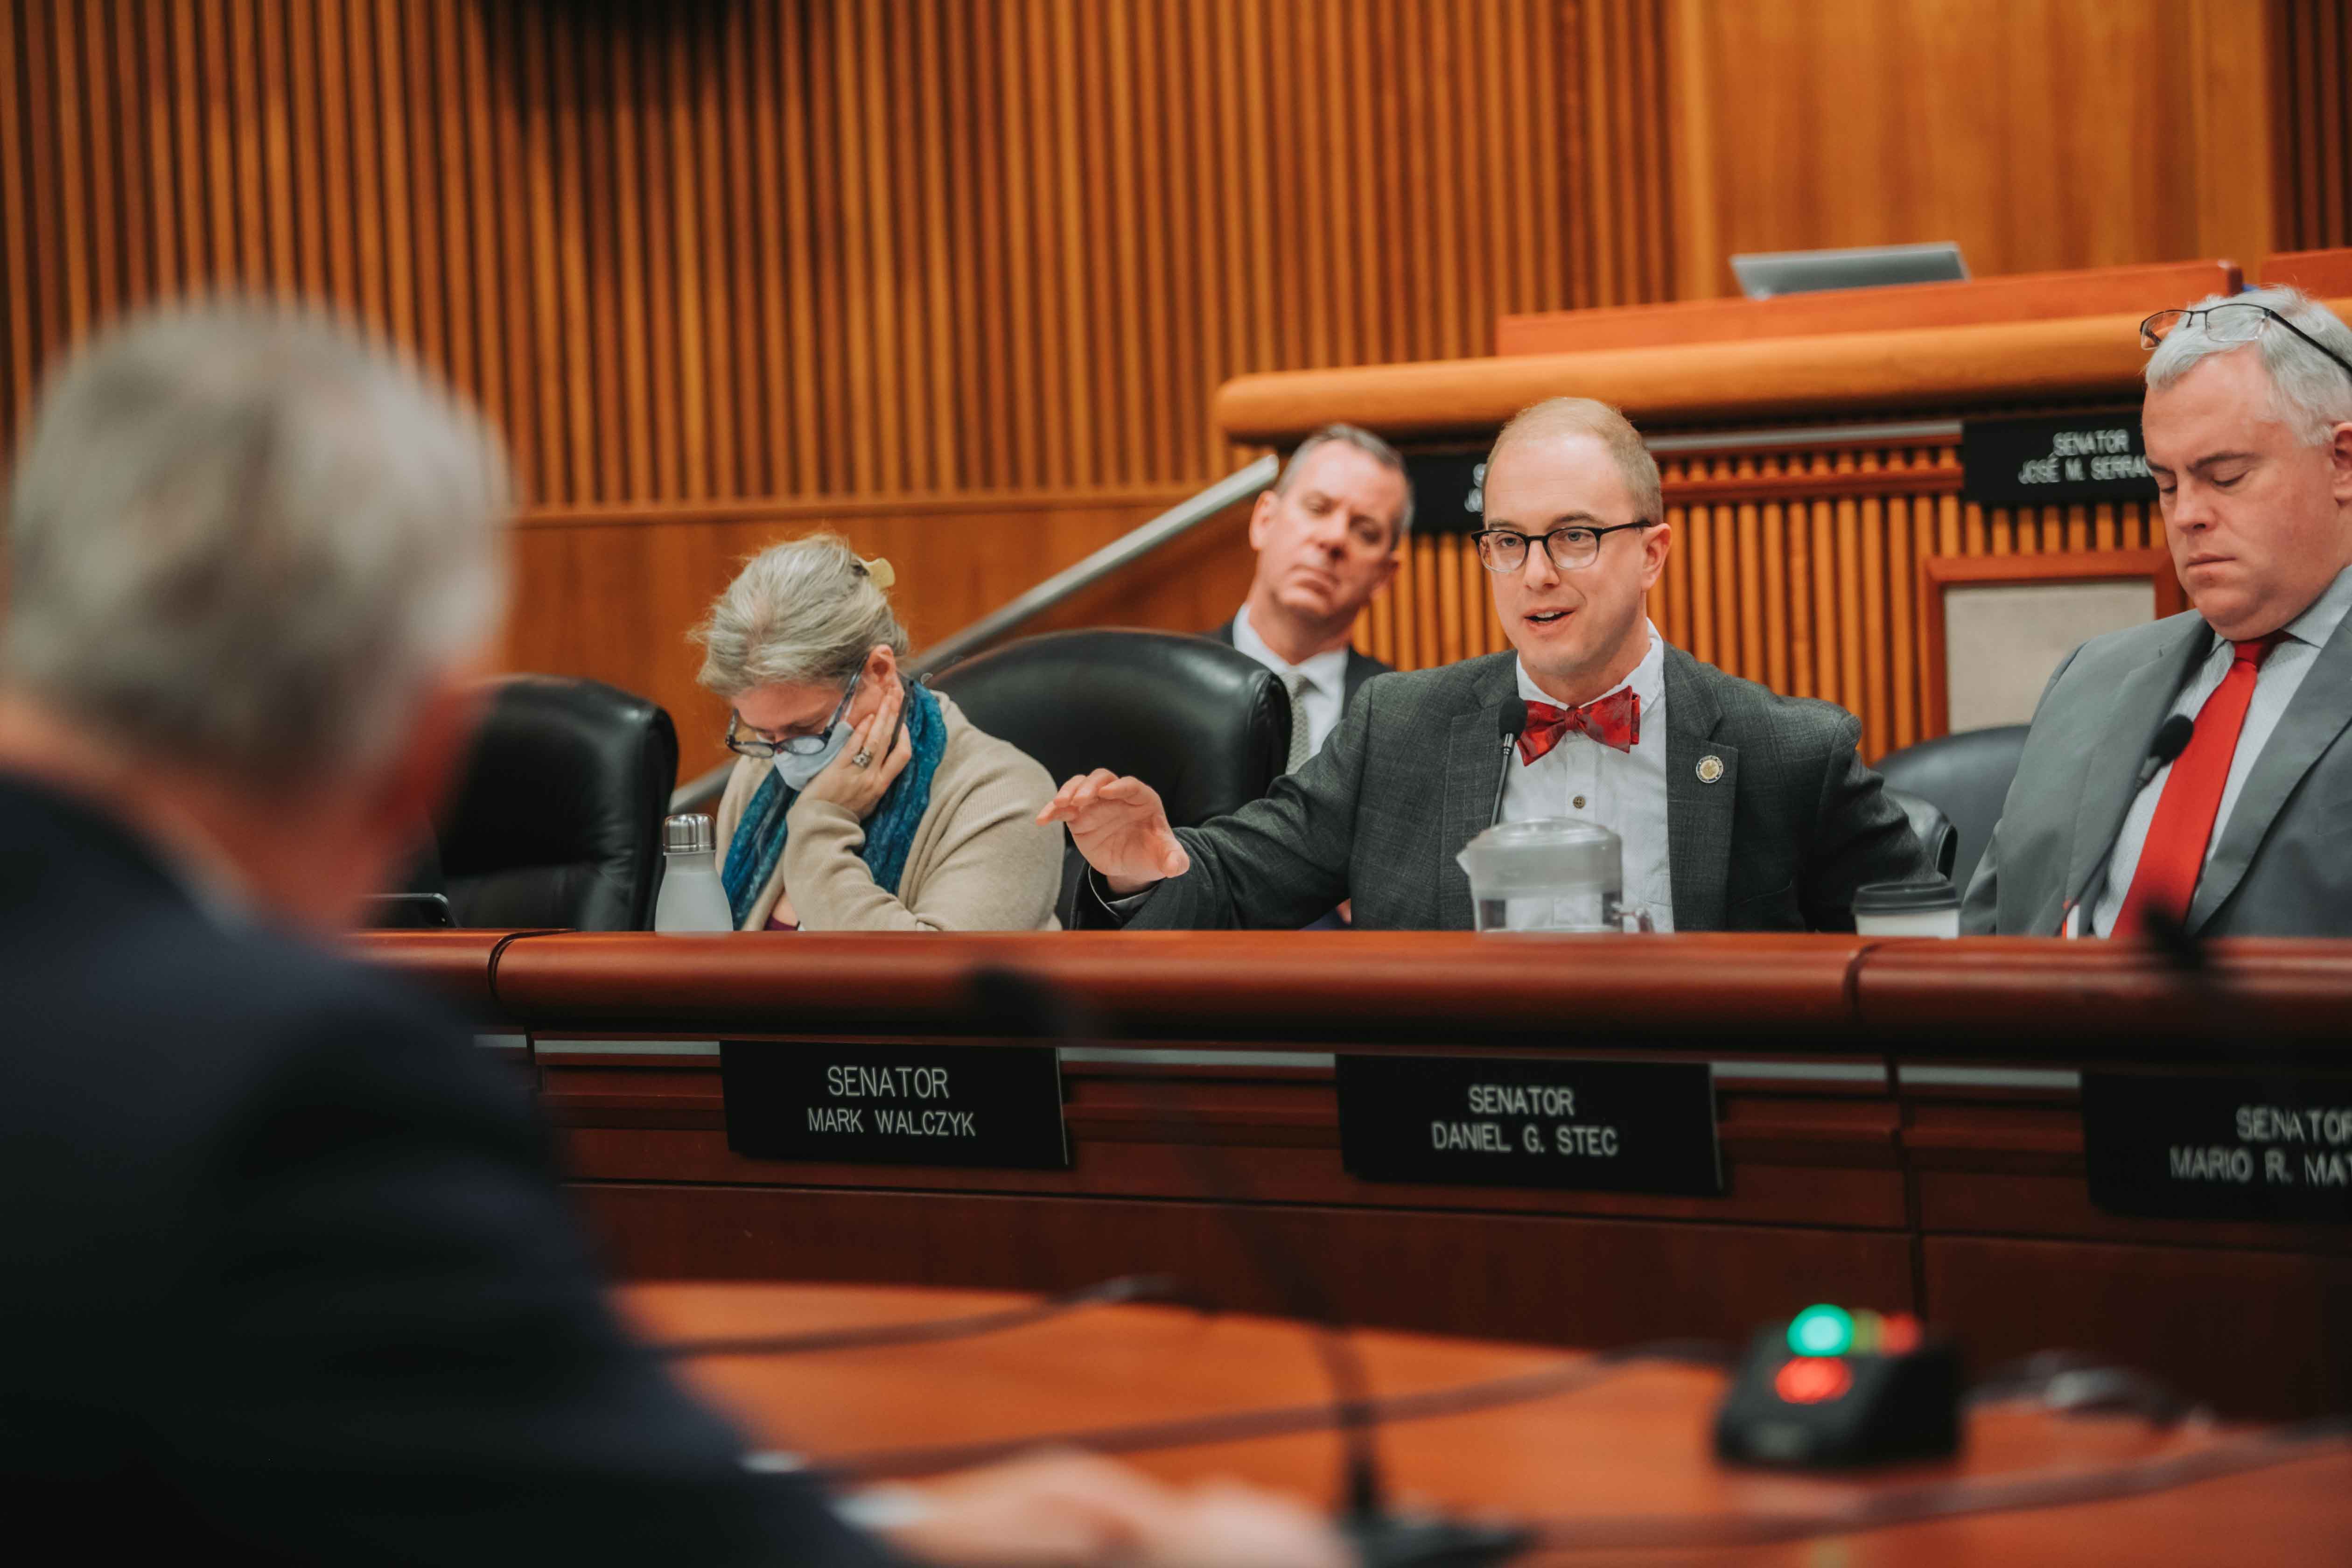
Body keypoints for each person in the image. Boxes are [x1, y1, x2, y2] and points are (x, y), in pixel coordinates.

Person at [0, 302, 1348, 1568]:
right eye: (753, 739)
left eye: (796, 732)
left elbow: (940, 1006)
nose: (769, 759)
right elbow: (602, 1526)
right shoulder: (299, 1090)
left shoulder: (983, 790)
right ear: (416, 751)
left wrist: (821, 825)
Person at [1042, 396, 1928, 931]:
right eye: (1508, 541)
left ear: (1653, 553)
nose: (1537, 573)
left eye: (1575, 537)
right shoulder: (1401, 730)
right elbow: (1234, 880)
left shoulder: (1789, 754)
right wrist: (1149, 857)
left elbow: (1933, 942)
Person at [1965, 287, 2352, 938]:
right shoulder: (2093, 677)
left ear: (2342, 461)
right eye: (2167, 484)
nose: (2188, 514)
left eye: (2225, 477)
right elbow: (1990, 934)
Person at [697, 534, 1063, 931]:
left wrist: (820, 823)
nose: (785, 755)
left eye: (805, 727)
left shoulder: (1005, 795)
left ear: (879, 672)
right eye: (765, 734)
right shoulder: (760, 771)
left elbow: (928, 983)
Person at [1206, 424, 1407, 772]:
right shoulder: (1166, 686)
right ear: (1264, 521)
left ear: (1383, 577)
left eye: (1365, 531)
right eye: (1317, 508)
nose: (1333, 539)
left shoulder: (1406, 718)